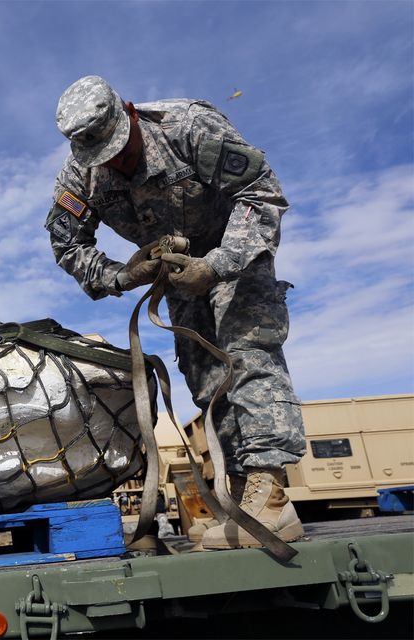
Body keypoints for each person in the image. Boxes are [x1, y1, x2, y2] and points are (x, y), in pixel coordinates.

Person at [45, 75, 305, 550]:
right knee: (208, 381)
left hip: (235, 259)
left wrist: (218, 264)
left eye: (119, 150)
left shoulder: (187, 126)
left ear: (126, 110)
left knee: (246, 352)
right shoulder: (79, 173)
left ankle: (272, 498)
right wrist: (122, 277)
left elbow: (260, 191)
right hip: (178, 280)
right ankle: (248, 496)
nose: (115, 163)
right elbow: (67, 243)